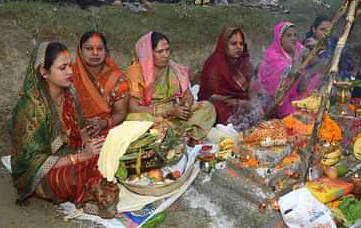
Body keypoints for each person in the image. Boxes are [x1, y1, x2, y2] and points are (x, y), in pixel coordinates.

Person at [11, 42, 119, 218]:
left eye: (70, 65)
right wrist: (81, 157)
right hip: (40, 170)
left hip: (70, 151)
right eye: (63, 67)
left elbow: (80, 127)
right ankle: (90, 195)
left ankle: (96, 188)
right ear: (44, 72)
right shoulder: (31, 108)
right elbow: (32, 160)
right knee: (70, 179)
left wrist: (87, 141)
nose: (70, 71)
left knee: (107, 150)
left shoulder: (69, 93)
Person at [126, 32, 216, 140]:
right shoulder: (136, 71)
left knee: (207, 107)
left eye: (167, 50)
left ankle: (177, 133)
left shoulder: (174, 68)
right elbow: (133, 108)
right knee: (135, 119)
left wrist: (185, 107)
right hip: (151, 114)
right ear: (149, 53)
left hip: (175, 115)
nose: (166, 55)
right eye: (160, 51)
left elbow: (188, 95)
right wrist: (167, 110)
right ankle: (178, 133)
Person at [72, 32, 129, 139]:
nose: (95, 53)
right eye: (89, 49)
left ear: (106, 51)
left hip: (106, 131)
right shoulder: (70, 75)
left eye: (100, 48)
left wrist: (103, 123)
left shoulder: (117, 79)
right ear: (80, 51)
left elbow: (121, 113)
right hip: (73, 130)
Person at [258, 22, 320, 117]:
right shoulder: (272, 55)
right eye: (289, 35)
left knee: (319, 76)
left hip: (297, 91)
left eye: (295, 35)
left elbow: (317, 62)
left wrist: (314, 50)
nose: (293, 39)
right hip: (279, 99)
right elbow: (293, 74)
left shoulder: (297, 46)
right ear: (280, 38)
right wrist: (296, 53)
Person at [199, 27, 255, 124]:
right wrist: (244, 103)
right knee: (220, 110)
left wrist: (254, 102)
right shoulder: (214, 64)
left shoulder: (245, 63)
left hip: (242, 103)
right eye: (233, 44)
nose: (238, 47)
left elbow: (252, 90)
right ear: (224, 45)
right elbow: (214, 96)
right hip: (220, 104)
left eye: (241, 44)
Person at [303, 15, 355, 80]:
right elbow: (323, 67)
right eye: (322, 29)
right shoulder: (307, 45)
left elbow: (349, 67)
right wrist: (318, 49)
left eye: (329, 30)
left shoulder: (337, 44)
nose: (326, 33)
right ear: (314, 29)